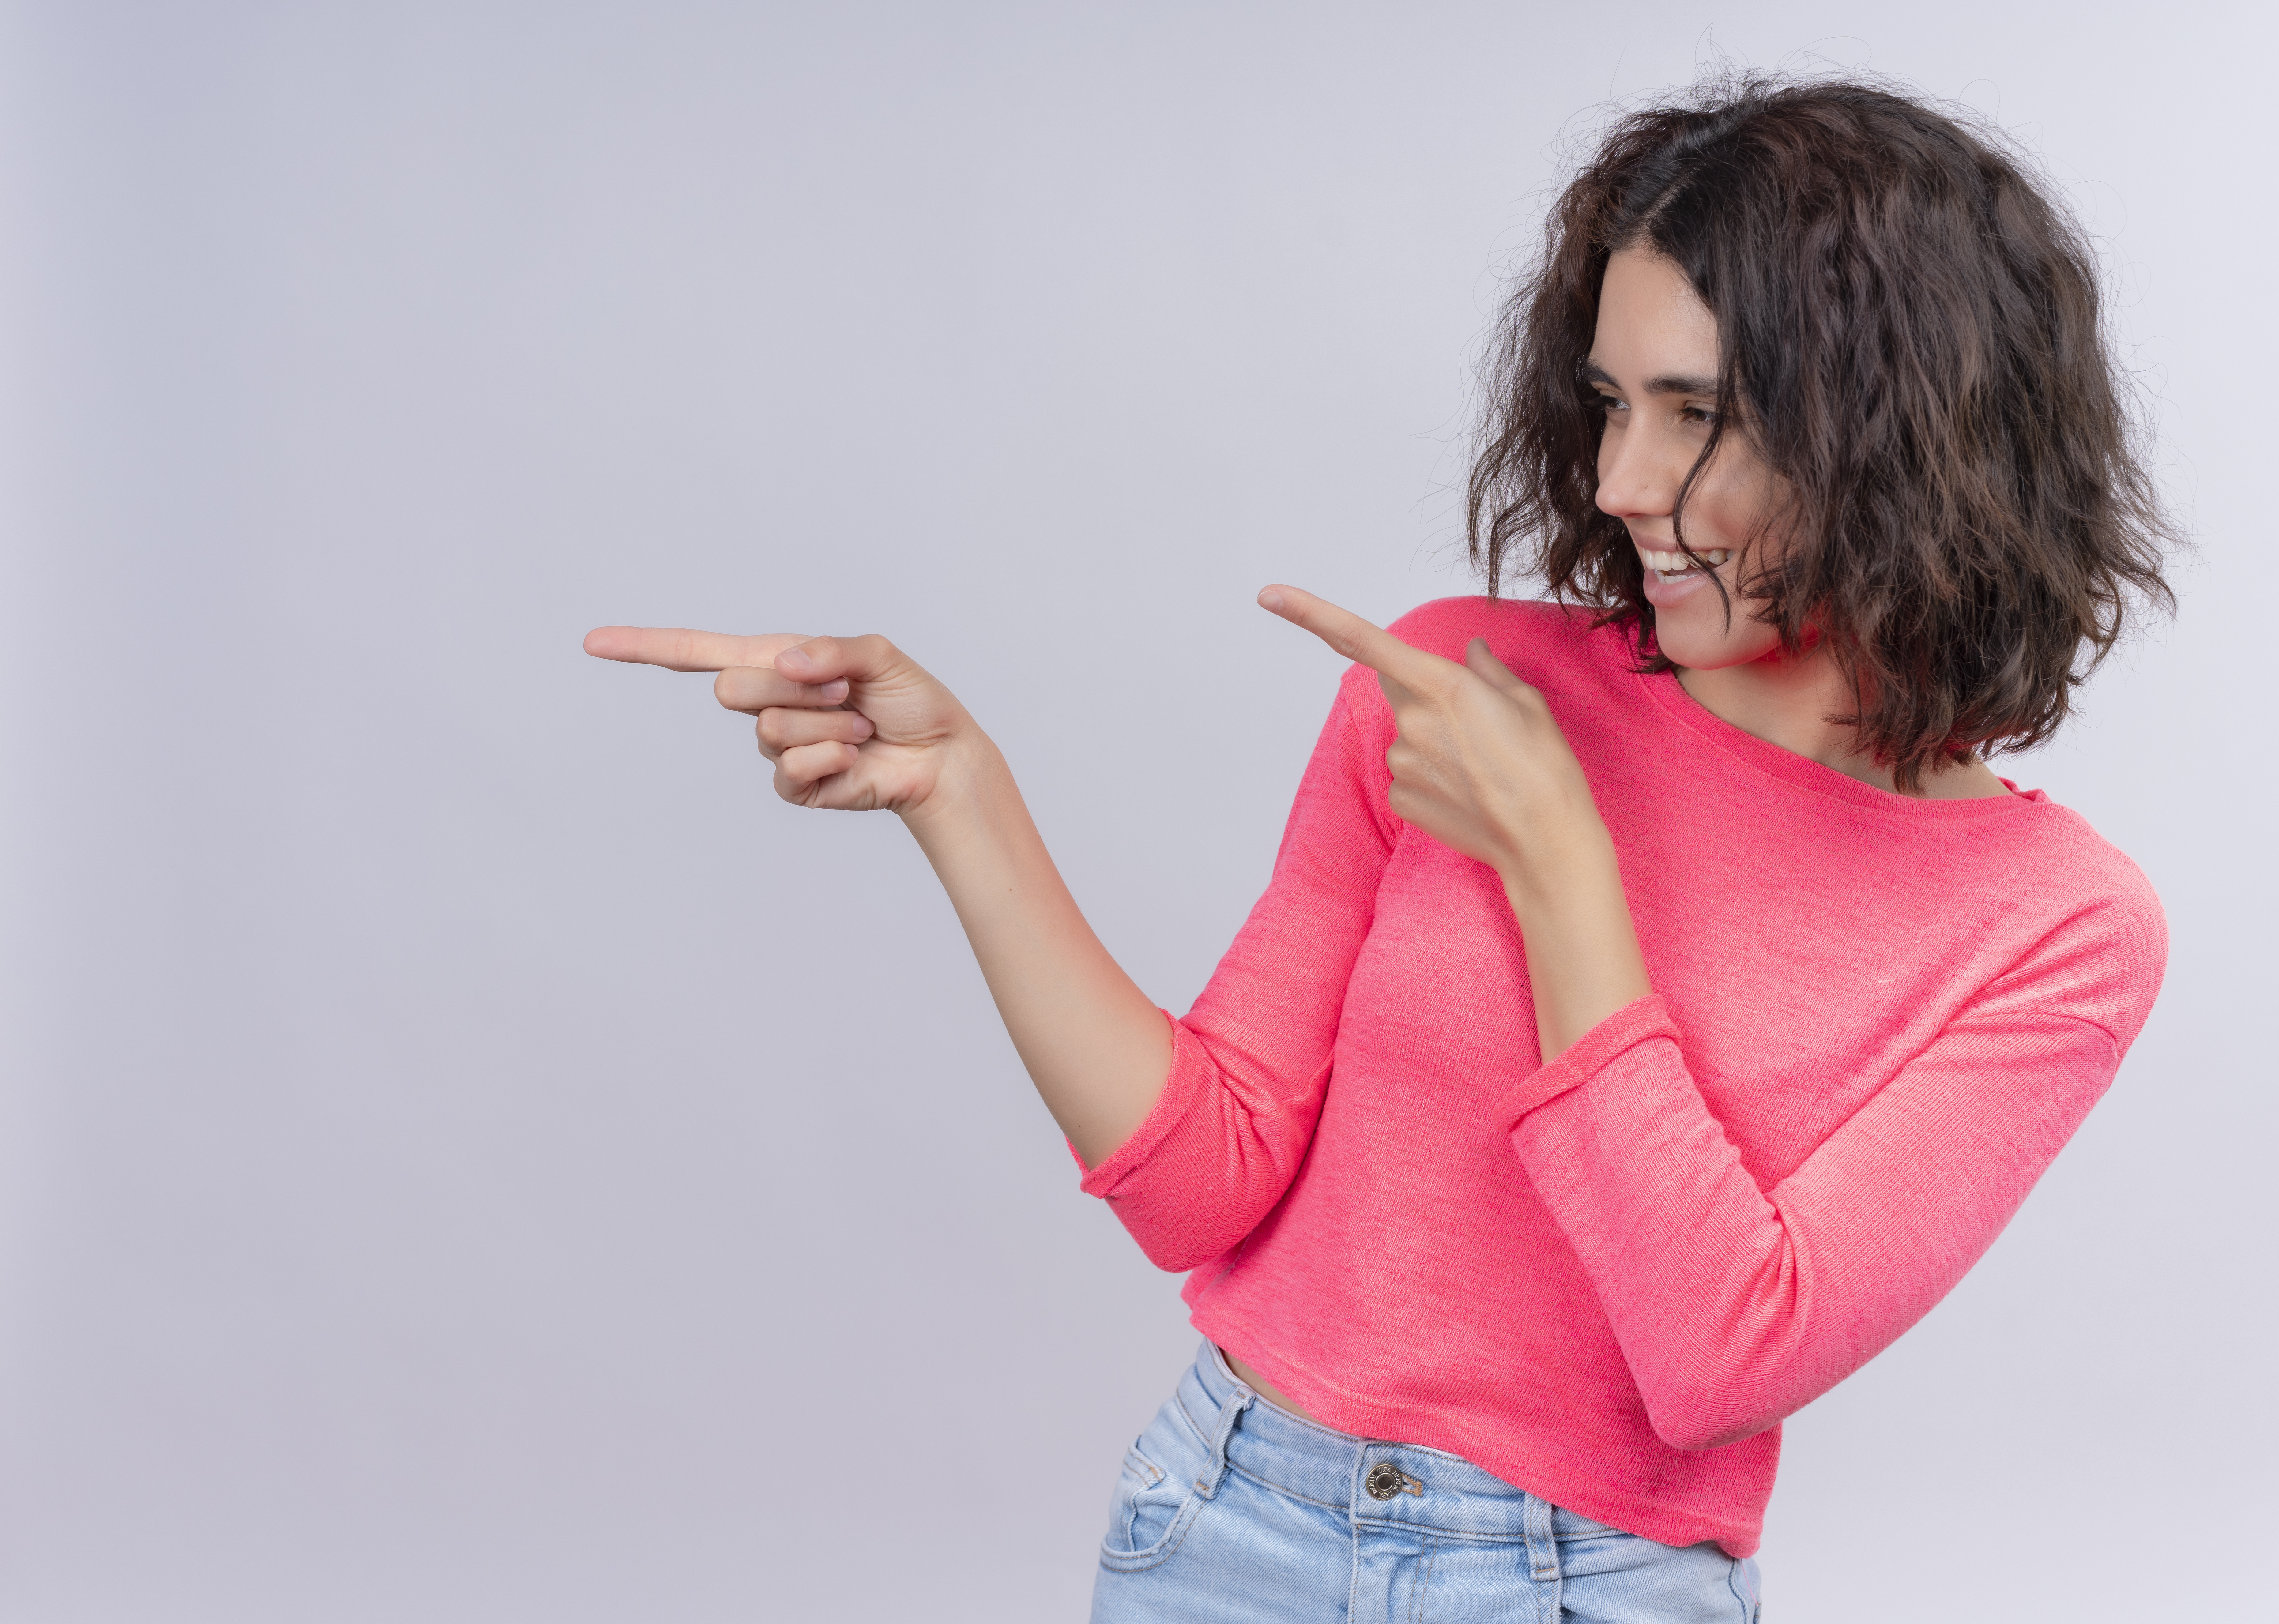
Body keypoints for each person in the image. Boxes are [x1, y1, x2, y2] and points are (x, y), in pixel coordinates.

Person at [586, 74, 2173, 1623]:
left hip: (1586, 1580)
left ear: (1902, 433)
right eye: (1610, 403)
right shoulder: (1457, 685)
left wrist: (1556, 859)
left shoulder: (2051, 922)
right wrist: (961, 797)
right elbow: (1202, 1187)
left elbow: (1720, 1358)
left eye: (1698, 416)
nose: (1619, 482)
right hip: (1222, 1519)